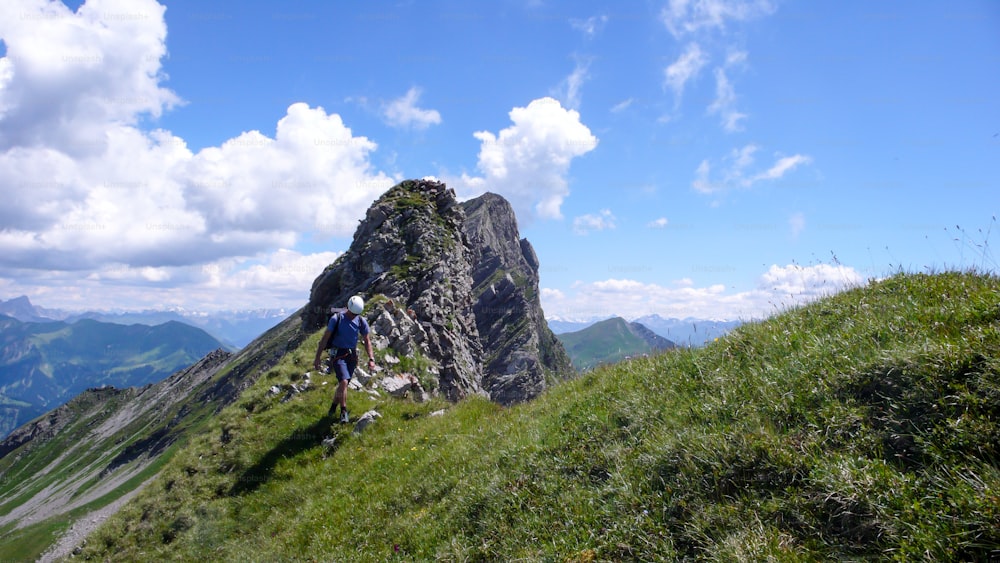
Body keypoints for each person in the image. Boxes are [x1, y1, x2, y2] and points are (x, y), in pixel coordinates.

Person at [313, 295, 376, 423]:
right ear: (348, 308)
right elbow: (325, 339)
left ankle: (332, 408)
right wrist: (317, 358)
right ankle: (343, 412)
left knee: (343, 385)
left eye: (356, 314)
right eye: (352, 313)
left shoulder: (360, 321)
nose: (353, 316)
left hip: (351, 356)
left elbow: (367, 340)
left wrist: (371, 359)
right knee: (344, 383)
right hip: (337, 355)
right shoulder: (337, 319)